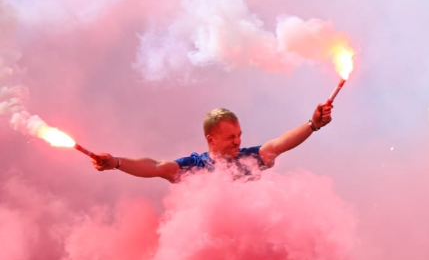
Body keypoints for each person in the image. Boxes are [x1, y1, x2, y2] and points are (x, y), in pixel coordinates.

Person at [88, 102, 333, 181]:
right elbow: (155, 167)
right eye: (230, 137)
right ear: (211, 139)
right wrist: (115, 162)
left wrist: (313, 125)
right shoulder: (193, 167)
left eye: (239, 135)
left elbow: (280, 143)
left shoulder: (251, 158)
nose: (237, 142)